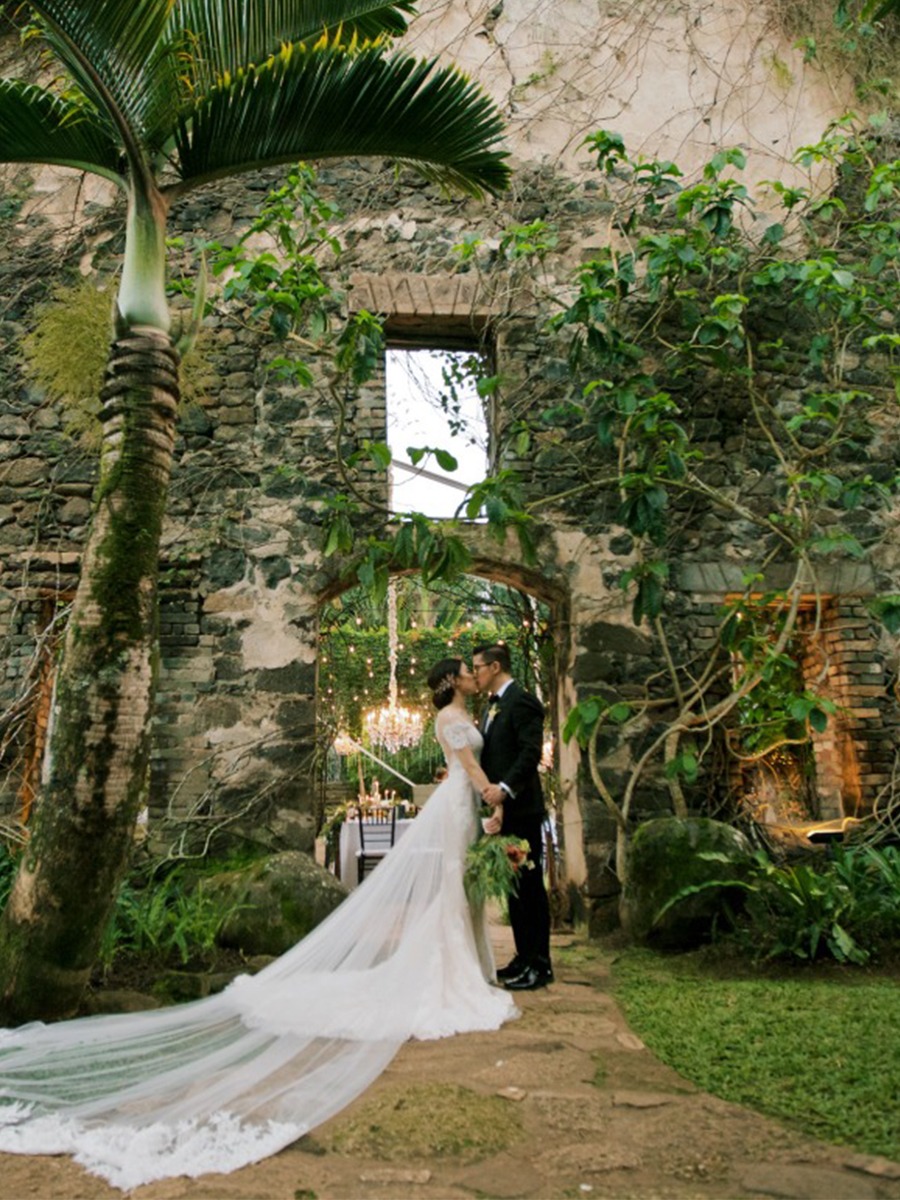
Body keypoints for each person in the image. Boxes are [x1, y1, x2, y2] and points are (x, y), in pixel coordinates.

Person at [0, 658, 517, 1191]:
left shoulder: (471, 710)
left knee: (460, 889)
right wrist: (491, 794)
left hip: (463, 805)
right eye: (468, 669)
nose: (475, 673)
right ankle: (449, 971)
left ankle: (465, 965)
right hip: (462, 801)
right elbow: (466, 763)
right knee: (454, 887)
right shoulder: (452, 720)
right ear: (453, 680)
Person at [472, 642, 553, 991]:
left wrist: (504, 788)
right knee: (515, 889)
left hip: (524, 809)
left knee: (531, 888)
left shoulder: (522, 701)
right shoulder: (494, 706)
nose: (474, 674)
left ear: (494, 667)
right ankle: (523, 957)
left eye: (477, 667)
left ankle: (541, 964)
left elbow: (530, 752)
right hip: (506, 812)